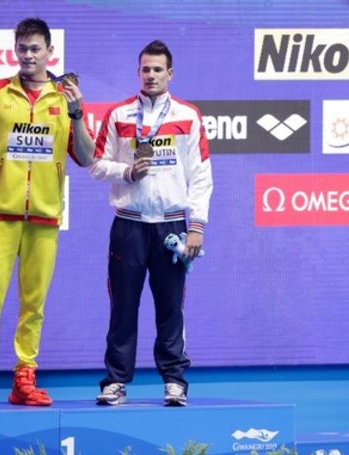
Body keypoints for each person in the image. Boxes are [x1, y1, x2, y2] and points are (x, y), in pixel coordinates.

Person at [0, 17, 94, 407]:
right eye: (23, 48)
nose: (29, 55)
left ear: (50, 51)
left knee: (34, 305)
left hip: (45, 219)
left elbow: (85, 158)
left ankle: (24, 379)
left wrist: (78, 113)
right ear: (14, 50)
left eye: (36, 49)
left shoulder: (65, 97)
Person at [89, 40, 212, 406]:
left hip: (172, 226)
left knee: (171, 306)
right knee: (122, 306)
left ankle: (174, 381)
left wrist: (198, 225)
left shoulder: (188, 115)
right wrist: (126, 171)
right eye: (146, 69)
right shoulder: (119, 115)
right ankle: (115, 381)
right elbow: (96, 164)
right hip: (128, 225)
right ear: (138, 72)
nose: (151, 75)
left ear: (170, 73)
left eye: (158, 69)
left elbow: (201, 174)